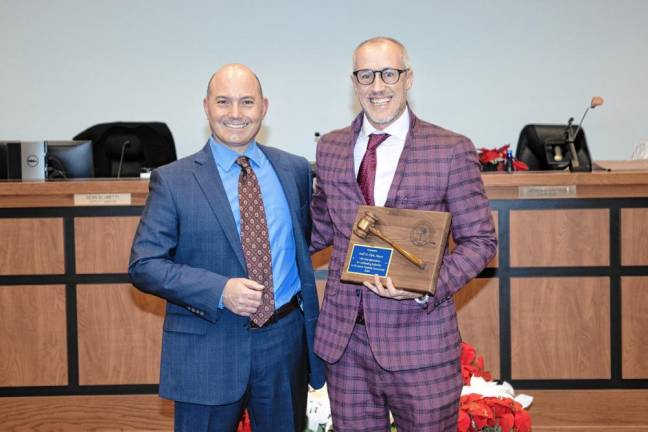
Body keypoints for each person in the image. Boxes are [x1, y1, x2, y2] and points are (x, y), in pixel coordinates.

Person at [311, 37, 497, 431]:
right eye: (366, 75)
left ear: (407, 78)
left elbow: (481, 241)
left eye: (388, 73)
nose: (377, 86)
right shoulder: (330, 148)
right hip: (346, 345)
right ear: (354, 82)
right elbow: (319, 229)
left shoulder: (449, 149)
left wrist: (425, 286)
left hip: (420, 341)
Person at [129, 63, 324, 432]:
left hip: (284, 345)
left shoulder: (294, 170)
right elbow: (145, 264)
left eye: (246, 102)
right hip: (207, 348)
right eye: (224, 102)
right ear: (206, 107)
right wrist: (220, 291)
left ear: (264, 107)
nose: (235, 114)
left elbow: (306, 241)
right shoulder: (173, 180)